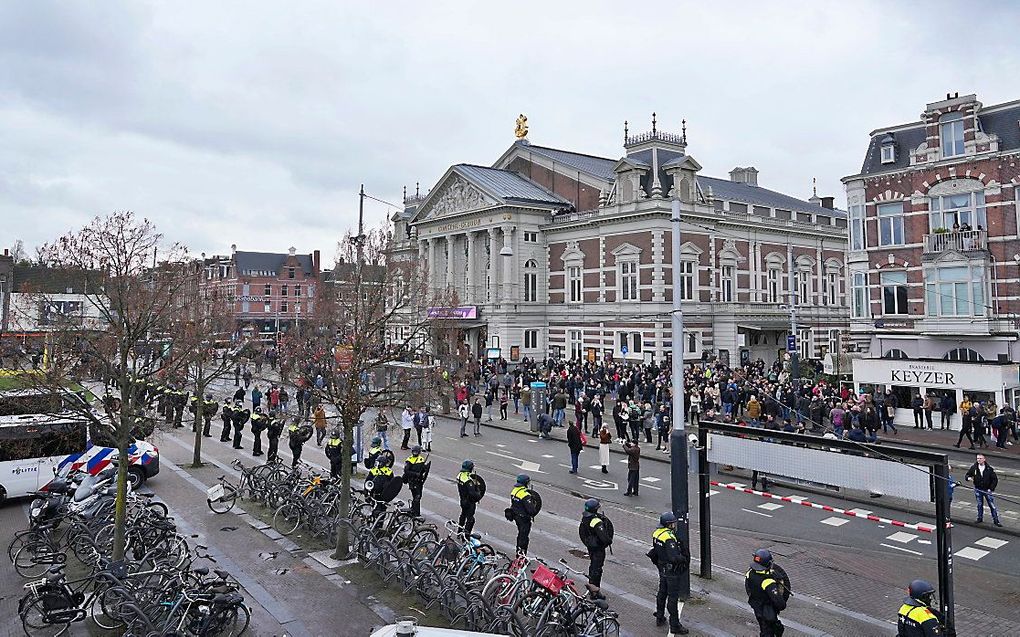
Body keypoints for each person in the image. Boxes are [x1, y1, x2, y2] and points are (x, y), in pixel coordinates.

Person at [650, 511, 690, 635]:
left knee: (662, 592)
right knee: (673, 598)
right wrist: (683, 558)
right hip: (671, 570)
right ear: (669, 524)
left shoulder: (657, 533)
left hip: (662, 567)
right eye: (673, 523)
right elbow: (673, 557)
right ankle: (675, 625)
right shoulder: (668, 537)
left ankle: (660, 616)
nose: (674, 525)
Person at [744, 549, 790, 637]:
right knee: (769, 631)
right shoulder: (767, 581)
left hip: (756, 606)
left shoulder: (750, 573)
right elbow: (780, 604)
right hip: (767, 612)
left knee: (763, 627)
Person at [578, 498, 612, 596]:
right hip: (598, 548)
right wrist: (609, 540)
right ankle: (595, 592)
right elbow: (605, 538)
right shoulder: (596, 521)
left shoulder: (585, 517)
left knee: (593, 566)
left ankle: (591, 584)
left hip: (590, 546)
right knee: (597, 569)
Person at [965, 454, 1002, 526]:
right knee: (979, 504)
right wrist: (968, 478)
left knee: (992, 505)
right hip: (978, 489)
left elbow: (995, 479)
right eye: (977, 458)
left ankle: (996, 520)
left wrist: (990, 489)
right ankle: (979, 518)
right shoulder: (974, 468)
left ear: (984, 459)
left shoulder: (989, 469)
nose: (979, 460)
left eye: (980, 458)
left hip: (987, 490)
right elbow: (967, 475)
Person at [509, 474, 540, 554]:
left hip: (516, 516)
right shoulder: (525, 494)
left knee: (520, 534)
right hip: (524, 519)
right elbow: (531, 510)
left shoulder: (514, 490)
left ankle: (518, 551)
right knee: (524, 537)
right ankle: (521, 556)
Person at [456, 460, 483, 536]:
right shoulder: (468, 480)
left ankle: (459, 531)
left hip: (462, 499)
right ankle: (466, 536)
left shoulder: (460, 475)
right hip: (469, 502)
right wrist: (478, 494)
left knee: (463, 515)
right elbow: (472, 493)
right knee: (470, 520)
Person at [403, 445, 428, 516]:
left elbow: (422, 470)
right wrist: (415, 474)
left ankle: (414, 509)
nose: (415, 453)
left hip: (419, 481)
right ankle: (416, 513)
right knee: (417, 496)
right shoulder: (409, 460)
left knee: (418, 497)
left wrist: (424, 469)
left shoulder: (421, 459)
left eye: (416, 452)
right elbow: (406, 471)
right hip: (412, 481)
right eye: (414, 452)